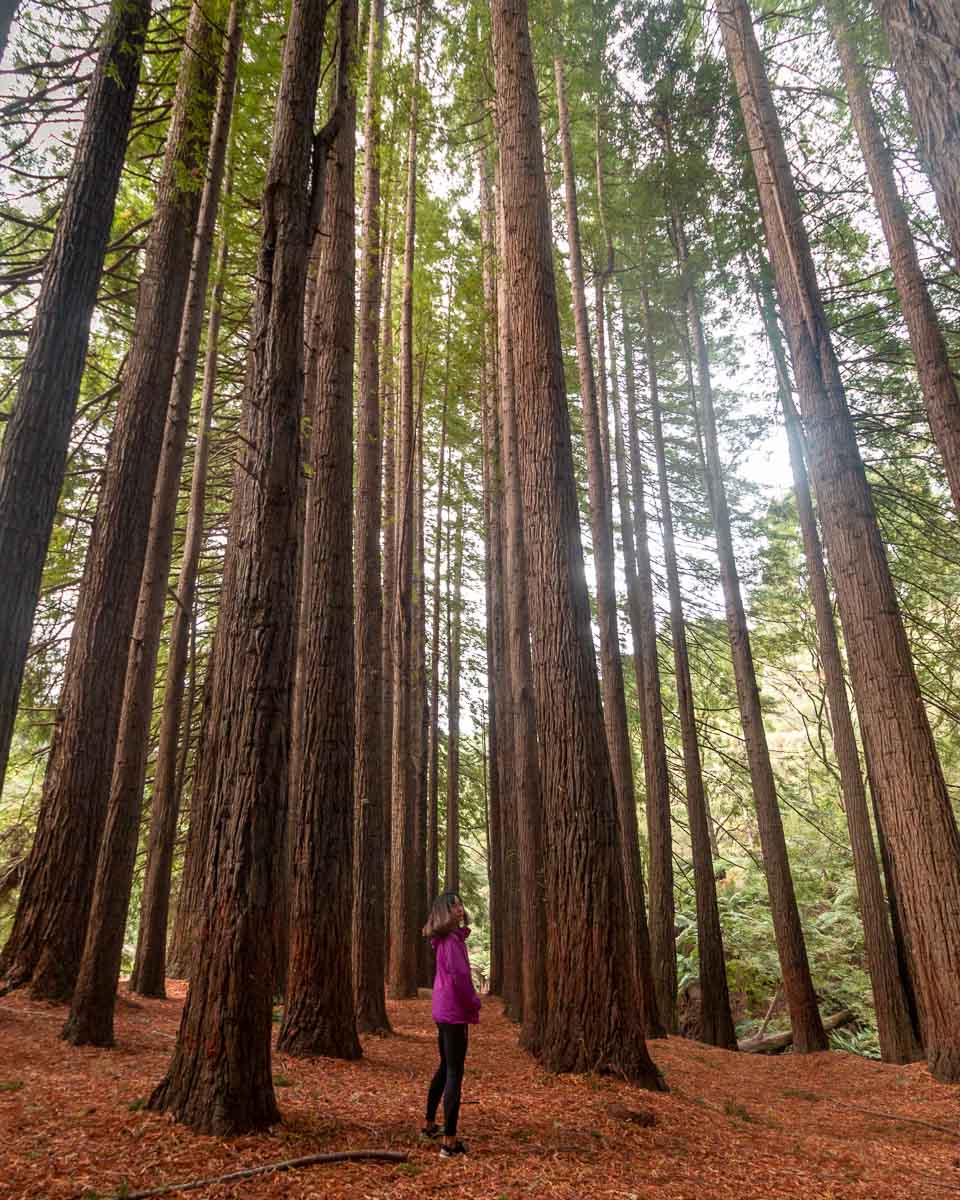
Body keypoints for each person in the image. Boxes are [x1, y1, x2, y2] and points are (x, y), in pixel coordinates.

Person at [421, 891, 481, 1158]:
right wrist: (474, 1003)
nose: (460, 908)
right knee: (455, 1071)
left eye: (459, 903)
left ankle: (429, 1125)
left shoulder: (447, 939)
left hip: (443, 1011)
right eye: (454, 905)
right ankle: (449, 1142)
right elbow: (460, 977)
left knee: (446, 1066)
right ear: (445, 912)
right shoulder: (452, 942)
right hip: (453, 1012)